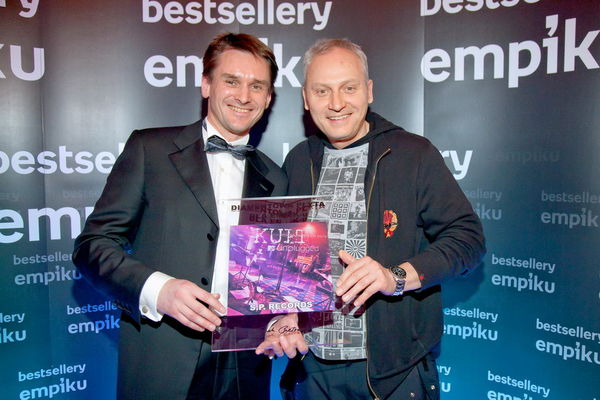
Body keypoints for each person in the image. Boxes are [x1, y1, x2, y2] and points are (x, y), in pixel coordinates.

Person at [262, 38, 485, 399]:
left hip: (392, 373)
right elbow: (282, 260)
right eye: (322, 91)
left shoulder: (412, 154)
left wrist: (394, 277)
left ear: (369, 91)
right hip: (311, 369)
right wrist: (283, 316)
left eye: (348, 88)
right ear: (305, 98)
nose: (336, 103)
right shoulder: (298, 161)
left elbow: (468, 240)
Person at [73, 33, 286, 400]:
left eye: (257, 86)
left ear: (268, 98)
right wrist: (160, 290)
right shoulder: (150, 150)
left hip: (246, 366)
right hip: (162, 359)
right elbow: (92, 246)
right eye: (231, 81)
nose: (244, 96)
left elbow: (276, 274)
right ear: (206, 84)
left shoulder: (276, 177)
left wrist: (284, 318)